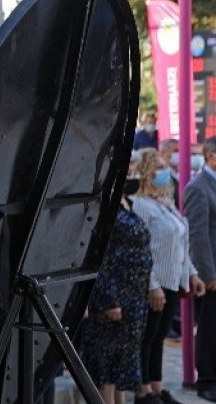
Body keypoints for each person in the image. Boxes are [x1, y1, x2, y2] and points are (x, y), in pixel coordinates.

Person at [133, 149, 205, 404]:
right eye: (158, 169)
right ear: (146, 174)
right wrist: (152, 284)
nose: (164, 173)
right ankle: (144, 391)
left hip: (173, 280)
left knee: (159, 337)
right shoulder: (141, 205)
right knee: (148, 337)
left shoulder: (166, 202)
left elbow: (181, 245)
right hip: (154, 283)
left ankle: (157, 386)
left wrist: (193, 275)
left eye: (165, 167)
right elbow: (141, 249)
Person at [82, 190, 152, 404]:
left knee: (120, 361)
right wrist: (109, 300)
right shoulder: (103, 206)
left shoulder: (127, 204)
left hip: (133, 294)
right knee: (105, 359)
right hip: (113, 295)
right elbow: (101, 257)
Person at [185, 137, 216, 401]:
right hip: (212, 271)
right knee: (210, 327)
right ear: (210, 156)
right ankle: (206, 381)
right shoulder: (199, 187)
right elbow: (198, 235)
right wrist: (209, 274)